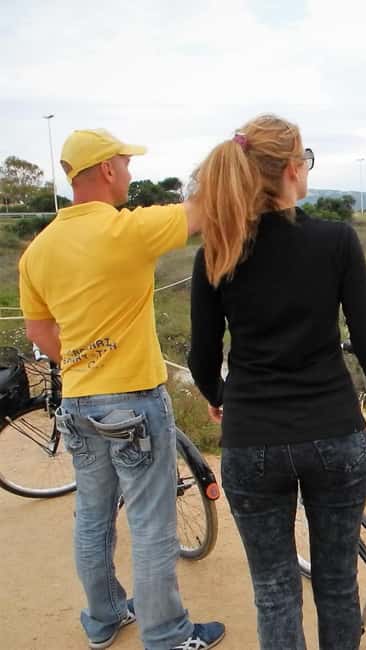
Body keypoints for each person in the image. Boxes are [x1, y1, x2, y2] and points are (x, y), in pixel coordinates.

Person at [186, 114, 366, 650]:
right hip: (333, 433)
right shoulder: (336, 240)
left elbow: (201, 358)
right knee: (336, 584)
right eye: (305, 158)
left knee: (274, 592)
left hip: (251, 440)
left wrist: (223, 398)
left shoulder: (217, 250)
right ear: (292, 168)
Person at [18, 128, 225, 650]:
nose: (130, 173)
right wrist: (236, 153)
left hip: (78, 402)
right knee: (152, 524)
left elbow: (40, 333)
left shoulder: (37, 251)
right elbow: (203, 210)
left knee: (92, 517)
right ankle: (167, 635)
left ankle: (104, 617)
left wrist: (85, 360)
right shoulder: (127, 229)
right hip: (134, 401)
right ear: (107, 169)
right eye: (126, 164)